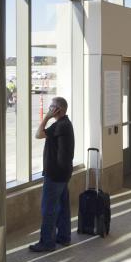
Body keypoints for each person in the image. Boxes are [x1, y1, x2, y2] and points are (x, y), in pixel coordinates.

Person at [30, 97, 75, 252]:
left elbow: (38, 134)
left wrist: (46, 117)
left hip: (55, 174)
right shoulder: (65, 124)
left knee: (49, 209)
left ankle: (47, 242)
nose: (49, 108)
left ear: (59, 110)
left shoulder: (60, 125)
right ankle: (64, 237)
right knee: (62, 207)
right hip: (64, 173)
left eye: (52, 107)